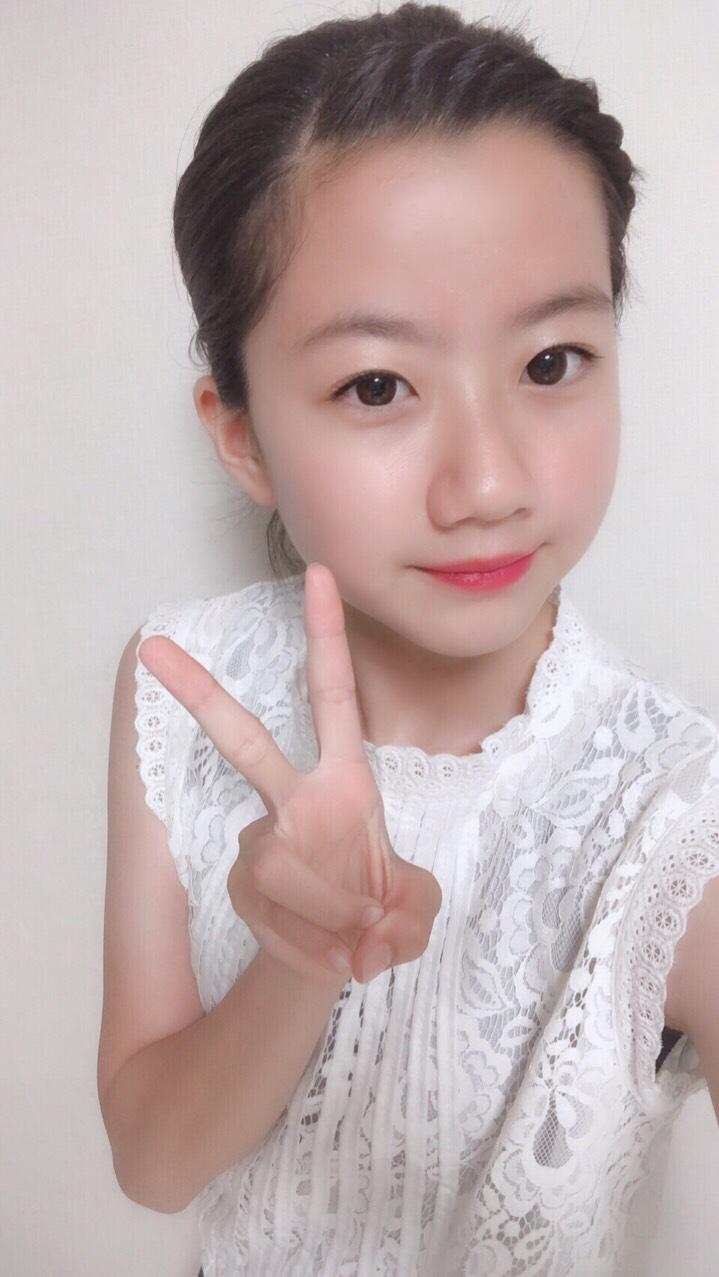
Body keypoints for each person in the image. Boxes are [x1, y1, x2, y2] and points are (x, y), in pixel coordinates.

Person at [97, 5, 719, 1275]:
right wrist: (297, 957)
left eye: (550, 361)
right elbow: (154, 1162)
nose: (486, 482)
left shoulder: (675, 815)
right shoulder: (184, 682)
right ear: (241, 436)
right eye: (376, 384)